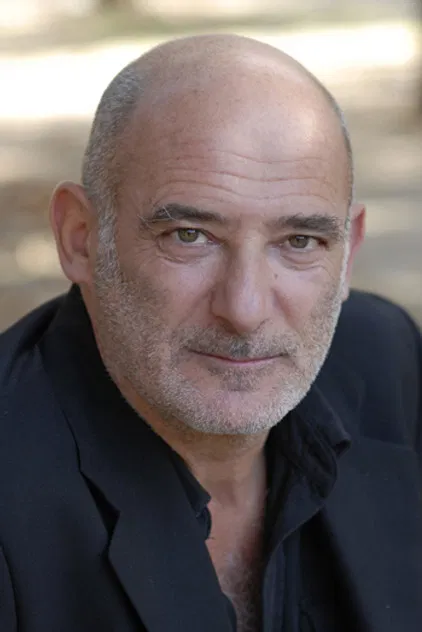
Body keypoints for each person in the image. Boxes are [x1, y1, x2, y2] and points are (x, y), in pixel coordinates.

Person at [0, 34, 421, 632]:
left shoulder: (385, 360)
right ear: (81, 239)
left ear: (347, 254)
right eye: (189, 236)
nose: (244, 309)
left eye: (300, 241)